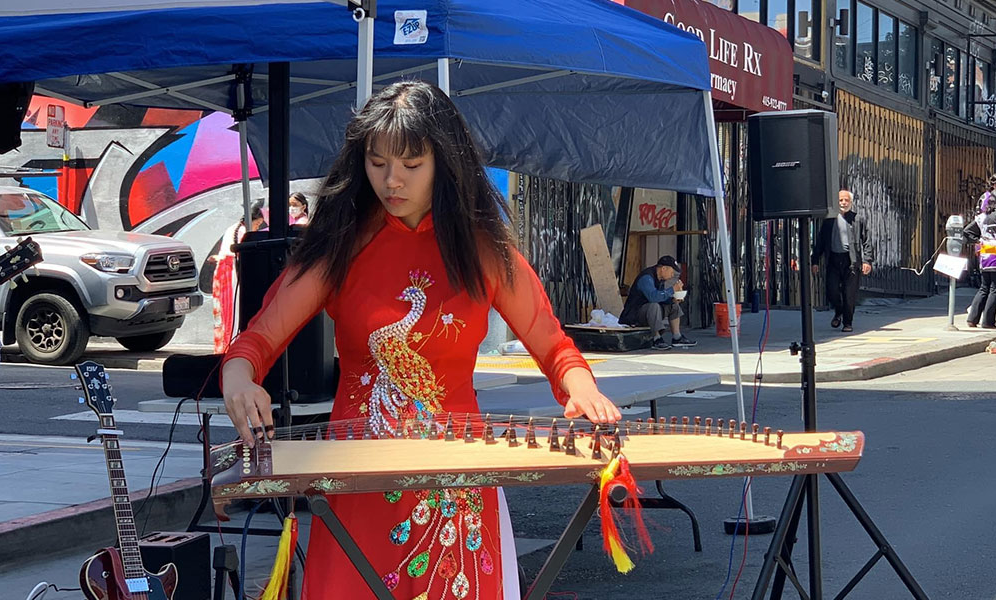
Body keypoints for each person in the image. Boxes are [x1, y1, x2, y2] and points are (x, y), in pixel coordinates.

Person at [220, 80, 621, 600]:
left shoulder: (483, 251)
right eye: (377, 162)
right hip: (359, 474)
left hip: (456, 476)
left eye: (412, 165)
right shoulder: (340, 248)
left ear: (445, 163)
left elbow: (553, 345)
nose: (392, 180)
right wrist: (239, 376)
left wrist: (579, 385)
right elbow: (259, 338)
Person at [811, 189, 873, 333]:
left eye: (846, 200)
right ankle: (838, 311)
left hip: (851, 261)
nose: (843, 203)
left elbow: (867, 242)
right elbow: (820, 242)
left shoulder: (858, 219)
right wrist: (815, 261)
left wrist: (867, 261)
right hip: (833, 259)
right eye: (840, 200)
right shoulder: (828, 220)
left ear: (851, 202)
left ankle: (847, 322)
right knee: (832, 291)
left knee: (849, 293)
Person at [211, 199, 267, 353]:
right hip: (230, 273)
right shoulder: (243, 233)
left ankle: (225, 344)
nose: (257, 227)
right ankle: (230, 345)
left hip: (223, 271)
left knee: (224, 311)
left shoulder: (233, 228)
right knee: (232, 310)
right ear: (257, 221)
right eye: (258, 224)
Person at [619, 255, 696, 350]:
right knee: (653, 306)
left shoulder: (661, 280)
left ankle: (677, 337)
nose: (672, 275)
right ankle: (657, 338)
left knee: (673, 306)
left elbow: (661, 297)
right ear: (664, 269)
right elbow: (653, 297)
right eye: (672, 272)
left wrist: (673, 299)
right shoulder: (646, 278)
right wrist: (672, 290)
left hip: (650, 314)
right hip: (634, 316)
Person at [963, 193, 996, 328]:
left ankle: (972, 319)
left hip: (985, 257)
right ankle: (988, 321)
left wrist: (980, 241)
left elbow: (967, 231)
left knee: (984, 288)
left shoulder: (982, 218)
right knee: (995, 289)